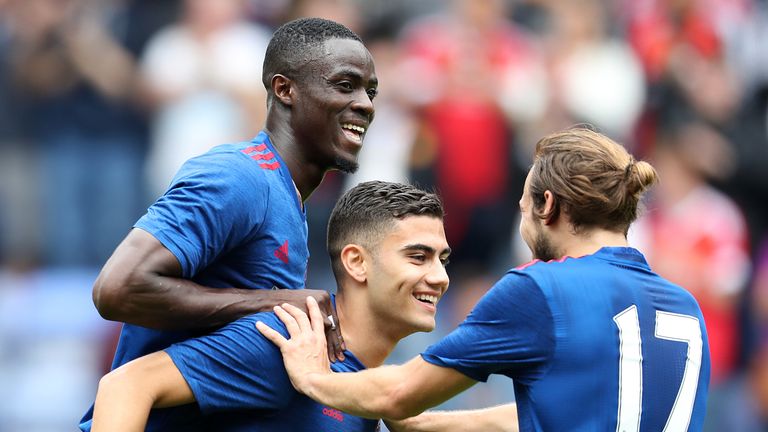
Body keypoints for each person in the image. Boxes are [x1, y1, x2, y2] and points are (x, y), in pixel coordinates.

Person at [259, 127, 712, 431]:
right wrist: (422, 425)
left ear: (547, 205)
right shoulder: (686, 307)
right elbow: (551, 414)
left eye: (523, 203)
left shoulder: (540, 289)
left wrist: (313, 377)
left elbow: (398, 393)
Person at [79, 17, 378, 431]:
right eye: (345, 86)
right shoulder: (239, 177)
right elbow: (116, 289)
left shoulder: (285, 199)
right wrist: (272, 303)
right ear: (284, 89)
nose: (365, 104)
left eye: (370, 91)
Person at [89, 181, 515, 431]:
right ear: (357, 263)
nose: (439, 277)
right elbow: (125, 386)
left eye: (443, 260)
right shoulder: (289, 339)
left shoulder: (359, 386)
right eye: (417, 257)